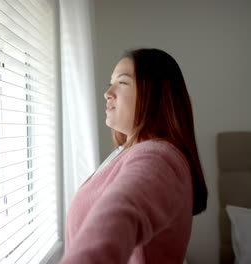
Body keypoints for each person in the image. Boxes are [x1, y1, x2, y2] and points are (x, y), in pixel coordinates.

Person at [60, 48, 208, 264]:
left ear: (155, 95)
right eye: (110, 83)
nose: (108, 92)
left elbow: (117, 217)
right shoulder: (130, 153)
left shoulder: (158, 158)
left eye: (122, 82)